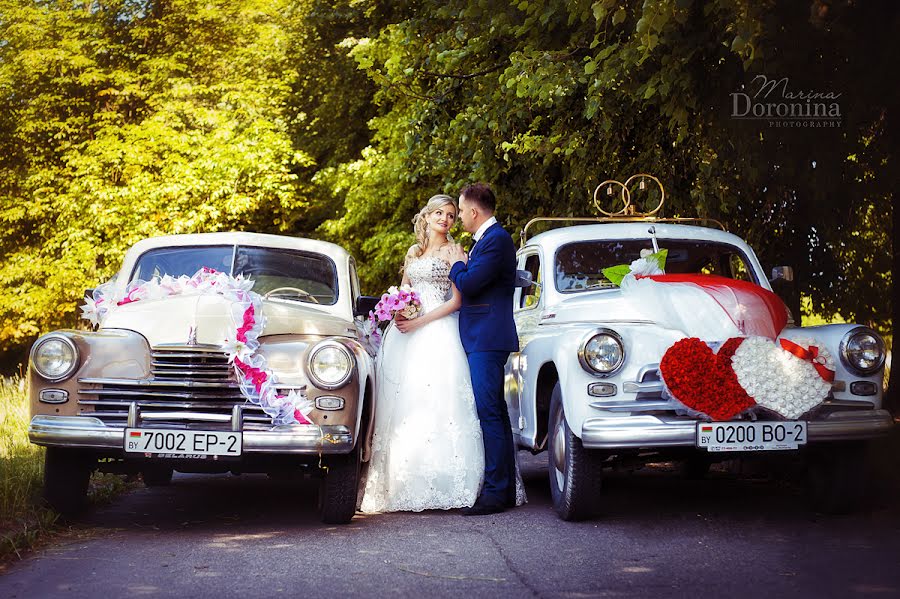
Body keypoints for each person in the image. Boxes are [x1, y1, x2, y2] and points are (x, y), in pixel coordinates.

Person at [359, 194, 485, 513]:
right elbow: (404, 293)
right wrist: (399, 312)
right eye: (440, 213)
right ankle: (405, 481)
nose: (446, 219)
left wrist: (419, 321)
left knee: (442, 404)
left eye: (452, 215)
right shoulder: (413, 252)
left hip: (440, 329)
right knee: (406, 404)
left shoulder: (454, 252)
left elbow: (457, 301)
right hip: (407, 334)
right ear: (426, 217)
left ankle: (449, 479)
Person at [446, 183, 520, 516]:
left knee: (489, 413)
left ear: (474, 212)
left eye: (460, 211)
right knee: (495, 413)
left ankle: (494, 494)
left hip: (488, 340)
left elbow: (470, 283)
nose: (459, 217)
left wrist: (458, 264)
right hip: (484, 338)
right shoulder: (489, 241)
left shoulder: (496, 241)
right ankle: (500, 491)